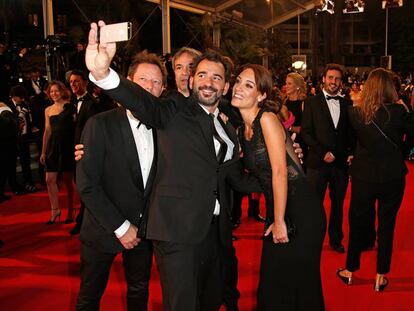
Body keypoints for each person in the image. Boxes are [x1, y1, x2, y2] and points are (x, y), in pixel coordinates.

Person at [85, 21, 262, 311]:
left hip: (215, 233)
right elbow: (145, 104)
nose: (208, 82)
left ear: (226, 86)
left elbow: (235, 179)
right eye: (202, 75)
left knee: (210, 301)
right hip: (177, 231)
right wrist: (104, 75)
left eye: (217, 78)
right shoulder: (174, 109)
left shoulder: (228, 128)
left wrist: (285, 175)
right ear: (192, 81)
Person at [75, 50, 167, 311]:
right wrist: (121, 227)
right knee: (90, 296)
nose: (149, 87)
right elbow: (87, 184)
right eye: (142, 80)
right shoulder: (99, 124)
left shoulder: (167, 129)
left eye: (156, 82)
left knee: (139, 292)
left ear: (163, 89)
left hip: (144, 230)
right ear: (127, 83)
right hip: (104, 228)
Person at [231, 64, 326, 310]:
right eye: (239, 81)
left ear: (262, 95)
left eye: (249, 85)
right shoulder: (244, 130)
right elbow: (263, 176)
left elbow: (280, 171)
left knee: (300, 283)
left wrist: (280, 219)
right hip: (279, 209)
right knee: (275, 281)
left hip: (300, 211)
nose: (239, 88)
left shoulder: (267, 119)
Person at [336, 68, 414, 292]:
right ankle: (380, 276)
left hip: (363, 176)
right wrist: (401, 149)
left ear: (368, 87)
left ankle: (350, 270)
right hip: (393, 177)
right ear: (390, 87)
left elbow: (346, 141)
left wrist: (353, 153)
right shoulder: (399, 112)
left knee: (357, 222)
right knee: (387, 226)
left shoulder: (355, 113)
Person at [301, 63, 353, 253]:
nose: (333, 82)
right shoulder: (311, 102)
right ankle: (312, 238)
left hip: (340, 165)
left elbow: (350, 134)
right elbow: (306, 133)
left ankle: (336, 239)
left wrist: (349, 153)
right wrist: (323, 152)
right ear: (323, 79)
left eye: (337, 78)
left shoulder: (348, 104)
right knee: (315, 205)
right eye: (330, 77)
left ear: (341, 81)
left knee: (338, 205)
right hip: (317, 163)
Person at [69, 69, 104, 233]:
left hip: (86, 153)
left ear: (85, 82)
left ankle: (84, 221)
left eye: (76, 81)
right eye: (71, 82)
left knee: (86, 187)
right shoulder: (71, 103)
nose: (73, 84)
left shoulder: (93, 103)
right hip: (73, 152)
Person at [40, 81, 76, 224]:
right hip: (52, 147)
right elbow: (47, 131)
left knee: (68, 180)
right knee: (49, 180)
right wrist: (43, 151)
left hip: (67, 146)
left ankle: (71, 210)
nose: (54, 94)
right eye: (51, 91)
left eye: (56, 91)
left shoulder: (71, 107)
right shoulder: (48, 110)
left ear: (62, 91)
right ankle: (55, 210)